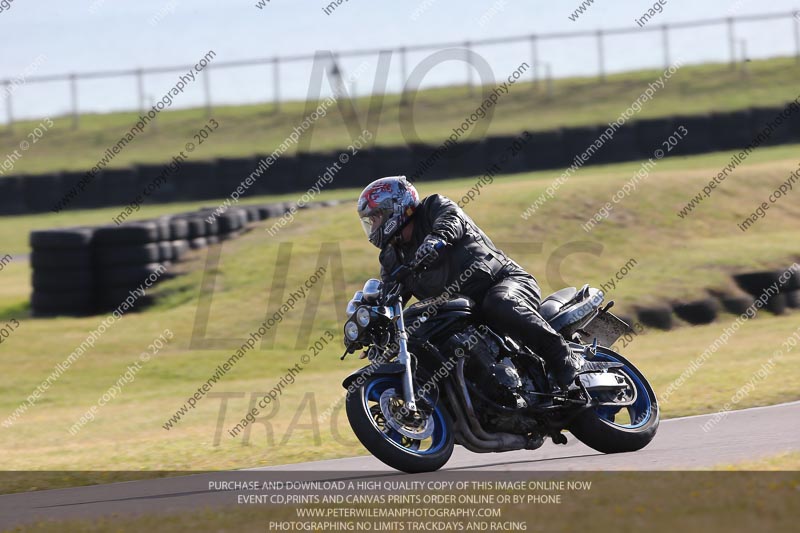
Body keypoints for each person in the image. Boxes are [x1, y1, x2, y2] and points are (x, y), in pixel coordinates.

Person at [357, 175, 584, 390]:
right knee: (430, 342)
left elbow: (452, 220)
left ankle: (564, 358)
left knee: (499, 302)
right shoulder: (390, 257)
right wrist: (375, 327)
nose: (373, 226)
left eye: (376, 217)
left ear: (395, 208)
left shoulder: (433, 207)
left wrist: (438, 238)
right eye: (370, 221)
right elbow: (390, 295)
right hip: (465, 314)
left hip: (504, 281)